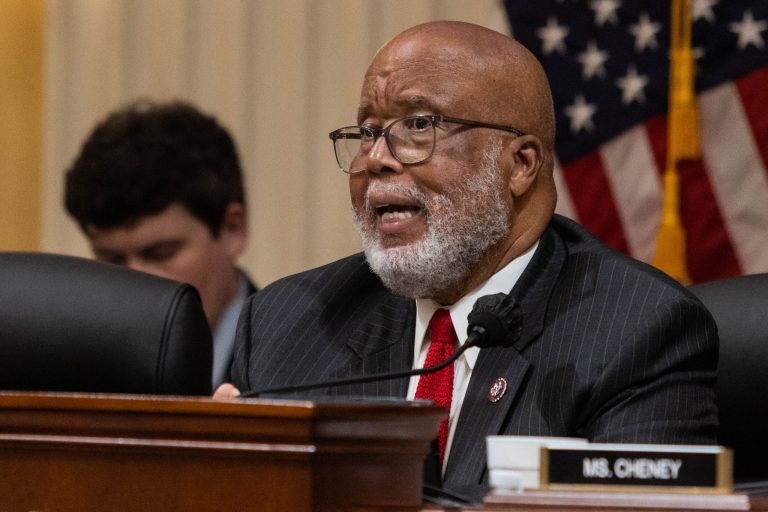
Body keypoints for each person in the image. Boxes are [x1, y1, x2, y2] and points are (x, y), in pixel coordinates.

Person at [217, 21, 718, 495]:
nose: (375, 159)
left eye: (417, 125)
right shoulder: (287, 323)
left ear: (519, 164)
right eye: (368, 130)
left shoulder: (639, 330)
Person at [65, 100, 256, 389]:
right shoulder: (71, 365)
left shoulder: (294, 356)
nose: (135, 281)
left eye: (161, 253)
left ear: (232, 229)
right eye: (112, 260)